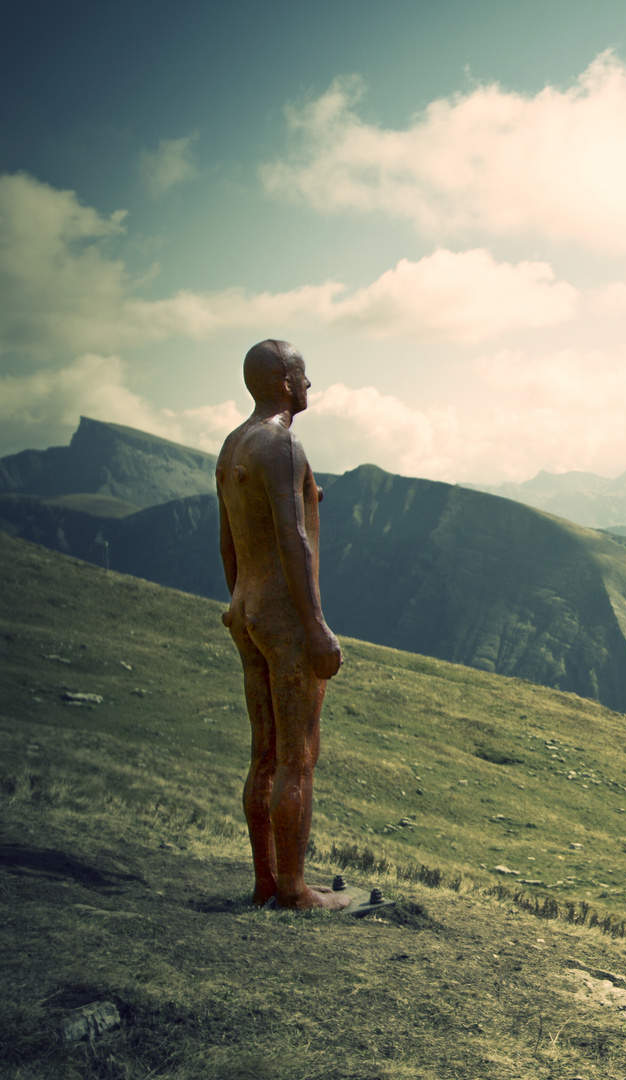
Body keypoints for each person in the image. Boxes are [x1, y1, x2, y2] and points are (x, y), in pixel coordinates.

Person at [217, 340, 349, 910]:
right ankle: (295, 890)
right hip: (285, 618)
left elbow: (228, 541)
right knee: (298, 755)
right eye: (302, 374)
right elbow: (295, 540)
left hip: (246, 608)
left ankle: (266, 881)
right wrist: (315, 626)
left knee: (263, 753)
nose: (309, 384)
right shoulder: (283, 444)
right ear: (284, 382)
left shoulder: (233, 446)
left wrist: (241, 603)